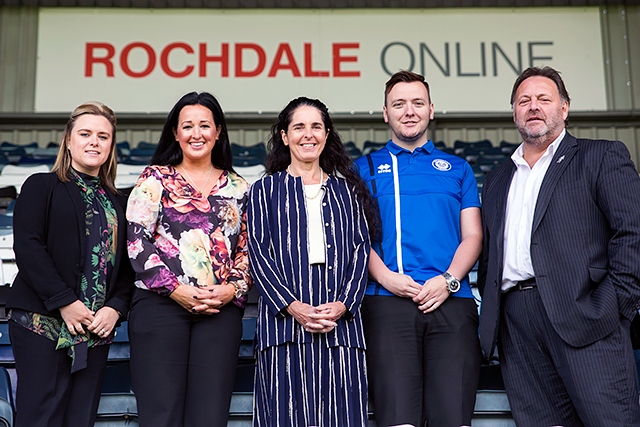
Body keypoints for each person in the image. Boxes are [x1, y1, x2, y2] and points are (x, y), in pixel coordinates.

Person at [478, 66, 640, 426]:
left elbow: (633, 233)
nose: (533, 106)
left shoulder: (601, 156)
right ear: (514, 112)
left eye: (543, 99)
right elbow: (490, 255)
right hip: (516, 322)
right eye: (524, 101)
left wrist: (613, 306)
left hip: (586, 313)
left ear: (564, 108)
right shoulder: (498, 177)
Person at [354, 70, 482, 427]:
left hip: (451, 302)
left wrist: (449, 281)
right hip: (386, 303)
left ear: (431, 109)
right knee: (398, 421)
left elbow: (472, 235)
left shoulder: (458, 169)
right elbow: (354, 237)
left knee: (452, 419)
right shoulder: (362, 169)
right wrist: (385, 277)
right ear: (385, 113)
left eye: (417, 103)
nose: (409, 111)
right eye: (399, 104)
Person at [247, 96, 376, 426]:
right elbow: (259, 255)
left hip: (341, 328)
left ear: (327, 134)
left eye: (316, 126)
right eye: (299, 127)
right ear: (285, 136)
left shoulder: (347, 191)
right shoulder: (264, 190)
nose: (308, 134)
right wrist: (294, 307)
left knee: (344, 418)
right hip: (283, 327)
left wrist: (344, 304)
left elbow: (361, 251)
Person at [126, 91, 251, 427]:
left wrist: (231, 290)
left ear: (218, 132)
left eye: (205, 125)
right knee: (160, 414)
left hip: (219, 311)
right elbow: (137, 240)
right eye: (188, 126)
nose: (197, 133)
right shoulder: (155, 178)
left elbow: (247, 251)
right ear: (175, 133)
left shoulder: (240, 188)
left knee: (209, 417)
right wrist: (175, 290)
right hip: (160, 307)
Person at [7, 101, 132, 427]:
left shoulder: (120, 202)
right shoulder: (40, 186)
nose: (94, 142)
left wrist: (116, 307)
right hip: (41, 322)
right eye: (86, 134)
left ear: (111, 146)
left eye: (103, 136)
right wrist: (65, 302)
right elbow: (29, 248)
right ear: (68, 140)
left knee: (81, 419)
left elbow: (128, 266)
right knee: (41, 417)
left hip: (95, 329)